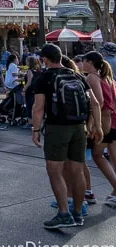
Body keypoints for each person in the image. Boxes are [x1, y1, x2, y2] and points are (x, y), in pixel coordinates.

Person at [32, 44, 102, 228]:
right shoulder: (77, 75)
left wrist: (36, 130)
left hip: (57, 127)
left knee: (55, 171)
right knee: (77, 171)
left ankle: (64, 213)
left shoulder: (44, 77)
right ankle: (78, 213)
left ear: (45, 59)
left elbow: (38, 108)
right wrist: (98, 126)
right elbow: (94, 103)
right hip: (79, 127)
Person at [81, 52, 116, 206]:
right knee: (113, 157)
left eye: (83, 61)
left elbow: (98, 101)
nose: (82, 64)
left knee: (98, 155)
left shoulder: (91, 77)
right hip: (114, 120)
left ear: (90, 63)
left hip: (104, 121)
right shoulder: (108, 77)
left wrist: (93, 123)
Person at [24, 56, 41, 129]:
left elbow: (29, 81)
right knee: (35, 106)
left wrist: (24, 89)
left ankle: (30, 123)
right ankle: (37, 122)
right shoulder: (38, 70)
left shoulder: (29, 70)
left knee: (29, 106)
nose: (26, 62)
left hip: (29, 90)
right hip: (36, 90)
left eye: (27, 61)